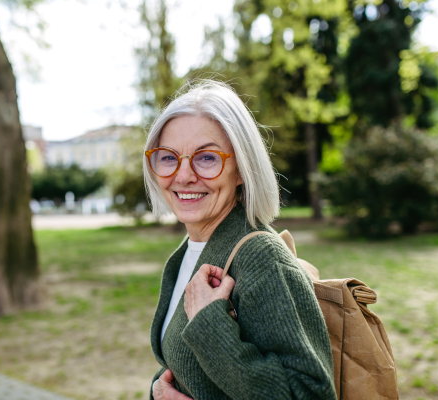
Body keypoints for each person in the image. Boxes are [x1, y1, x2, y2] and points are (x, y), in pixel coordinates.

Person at [144, 80, 336, 400]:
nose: (183, 175)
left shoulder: (262, 258)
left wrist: (210, 323)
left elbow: (311, 394)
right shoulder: (190, 252)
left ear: (241, 168)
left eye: (207, 158)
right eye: (168, 157)